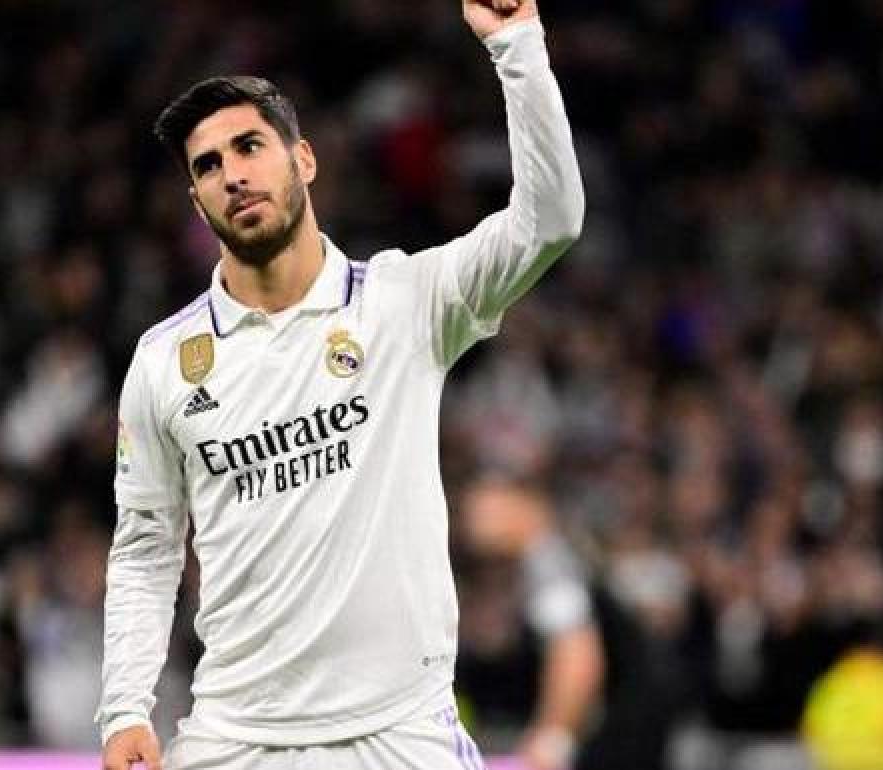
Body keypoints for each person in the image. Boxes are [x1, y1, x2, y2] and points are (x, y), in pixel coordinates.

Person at [98, 1, 584, 768]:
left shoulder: (405, 303)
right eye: (208, 166)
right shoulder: (164, 362)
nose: (233, 174)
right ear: (196, 201)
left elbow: (549, 222)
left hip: (399, 737)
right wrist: (125, 709)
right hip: (236, 740)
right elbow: (147, 548)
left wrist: (517, 45)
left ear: (304, 161)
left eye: (249, 146)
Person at [458, 478, 604, 770]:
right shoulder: (468, 562)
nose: (481, 518)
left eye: (497, 505)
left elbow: (576, 656)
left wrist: (552, 740)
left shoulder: (549, 560)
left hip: (600, 739)